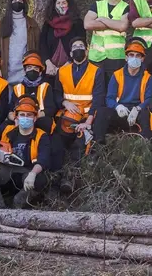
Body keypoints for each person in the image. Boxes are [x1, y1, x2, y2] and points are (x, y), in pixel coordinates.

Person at [51, 37, 104, 192]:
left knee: (79, 146)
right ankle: (54, 179)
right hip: (66, 117)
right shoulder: (62, 71)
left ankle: (71, 178)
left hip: (86, 118)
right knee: (57, 144)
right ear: (71, 52)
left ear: (86, 51)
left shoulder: (97, 71)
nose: (78, 48)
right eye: (75, 46)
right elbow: (56, 94)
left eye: (81, 46)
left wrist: (88, 122)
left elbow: (99, 99)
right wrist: (64, 102)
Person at [0, 97, 50, 209]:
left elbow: (43, 159)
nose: (25, 118)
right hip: (6, 171)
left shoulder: (41, 136)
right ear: (16, 116)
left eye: (29, 115)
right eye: (22, 115)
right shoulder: (7, 129)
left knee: (40, 179)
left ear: (35, 118)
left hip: (25, 173)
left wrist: (33, 174)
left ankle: (18, 203)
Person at [92, 38, 152, 144]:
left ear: (142, 59)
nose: (134, 58)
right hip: (121, 111)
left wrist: (138, 108)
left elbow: (149, 98)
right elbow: (109, 98)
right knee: (102, 112)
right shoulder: (117, 75)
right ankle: (98, 144)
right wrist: (117, 106)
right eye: (131, 55)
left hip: (137, 112)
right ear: (126, 57)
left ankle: (145, 142)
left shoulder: (148, 77)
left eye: (138, 55)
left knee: (145, 114)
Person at [85, 0, 130, 83]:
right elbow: (87, 24)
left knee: (115, 89)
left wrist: (102, 19)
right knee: (97, 90)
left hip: (116, 57)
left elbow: (122, 26)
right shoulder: (97, 5)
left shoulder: (126, 7)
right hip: (96, 58)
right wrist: (114, 24)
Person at [0, 0, 40, 85]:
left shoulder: (32, 24)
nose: (17, 1)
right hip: (6, 73)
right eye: (14, 0)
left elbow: (38, 47)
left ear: (24, 2)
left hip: (26, 73)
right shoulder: (1, 24)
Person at [39, 0, 86, 85]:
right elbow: (42, 44)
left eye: (64, 3)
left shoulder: (77, 23)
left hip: (71, 67)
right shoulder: (48, 24)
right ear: (54, 6)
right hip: (50, 70)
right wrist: (48, 63)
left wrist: (67, 65)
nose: (61, 5)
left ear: (69, 4)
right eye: (58, 3)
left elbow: (81, 43)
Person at [11, 51, 57, 133]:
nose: (32, 70)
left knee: (46, 122)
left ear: (40, 72)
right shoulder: (17, 88)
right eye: (29, 67)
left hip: (40, 120)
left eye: (36, 68)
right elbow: (10, 110)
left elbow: (51, 109)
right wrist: (15, 119)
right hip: (20, 119)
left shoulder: (46, 86)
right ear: (24, 70)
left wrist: (33, 117)